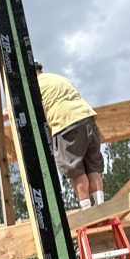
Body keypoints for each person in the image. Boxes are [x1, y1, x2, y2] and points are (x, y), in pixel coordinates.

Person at [34, 62, 105, 209]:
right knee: (93, 168)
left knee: (76, 171)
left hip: (66, 124)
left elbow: (12, 110)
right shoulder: (59, 78)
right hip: (88, 119)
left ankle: (87, 213)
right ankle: (101, 209)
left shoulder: (34, 86)